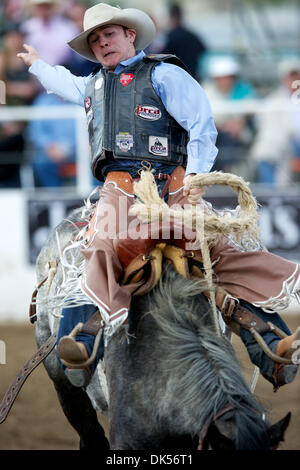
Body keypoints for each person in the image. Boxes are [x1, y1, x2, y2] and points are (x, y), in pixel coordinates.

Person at [18, 3, 300, 391]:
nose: (103, 43)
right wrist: (36, 64)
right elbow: (62, 83)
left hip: (174, 180)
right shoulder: (93, 84)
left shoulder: (165, 74)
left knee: (213, 248)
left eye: (109, 35)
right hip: (120, 185)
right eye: (96, 40)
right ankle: (81, 345)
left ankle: (272, 342)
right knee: (101, 242)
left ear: (129, 35)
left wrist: (197, 176)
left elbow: (201, 122)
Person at [250, 58, 300, 186]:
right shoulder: (273, 101)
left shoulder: (274, 101)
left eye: (296, 76)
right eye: (290, 77)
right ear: (283, 80)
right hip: (276, 151)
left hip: (287, 150)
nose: (294, 80)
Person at [203, 56, 257, 175]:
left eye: (228, 77)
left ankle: (226, 172)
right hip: (214, 135)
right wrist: (224, 126)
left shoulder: (243, 89)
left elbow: (252, 109)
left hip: (237, 136)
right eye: (221, 78)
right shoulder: (207, 91)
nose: (225, 81)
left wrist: (240, 122)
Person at [26, 91, 77, 187]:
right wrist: (49, 146)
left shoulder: (80, 99)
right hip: (51, 150)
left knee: (97, 161)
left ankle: (94, 197)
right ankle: (55, 197)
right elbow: (36, 131)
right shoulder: (42, 101)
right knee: (41, 162)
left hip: (79, 150)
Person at [21, 0, 79, 67]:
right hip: (32, 73)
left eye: (46, 5)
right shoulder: (27, 27)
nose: (43, 9)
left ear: (53, 7)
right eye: (40, 6)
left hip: (62, 72)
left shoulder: (68, 28)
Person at [158, 3, 207, 82]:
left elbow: (162, 56)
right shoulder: (192, 35)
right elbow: (203, 49)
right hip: (193, 77)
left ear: (171, 18)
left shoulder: (170, 36)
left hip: (178, 78)